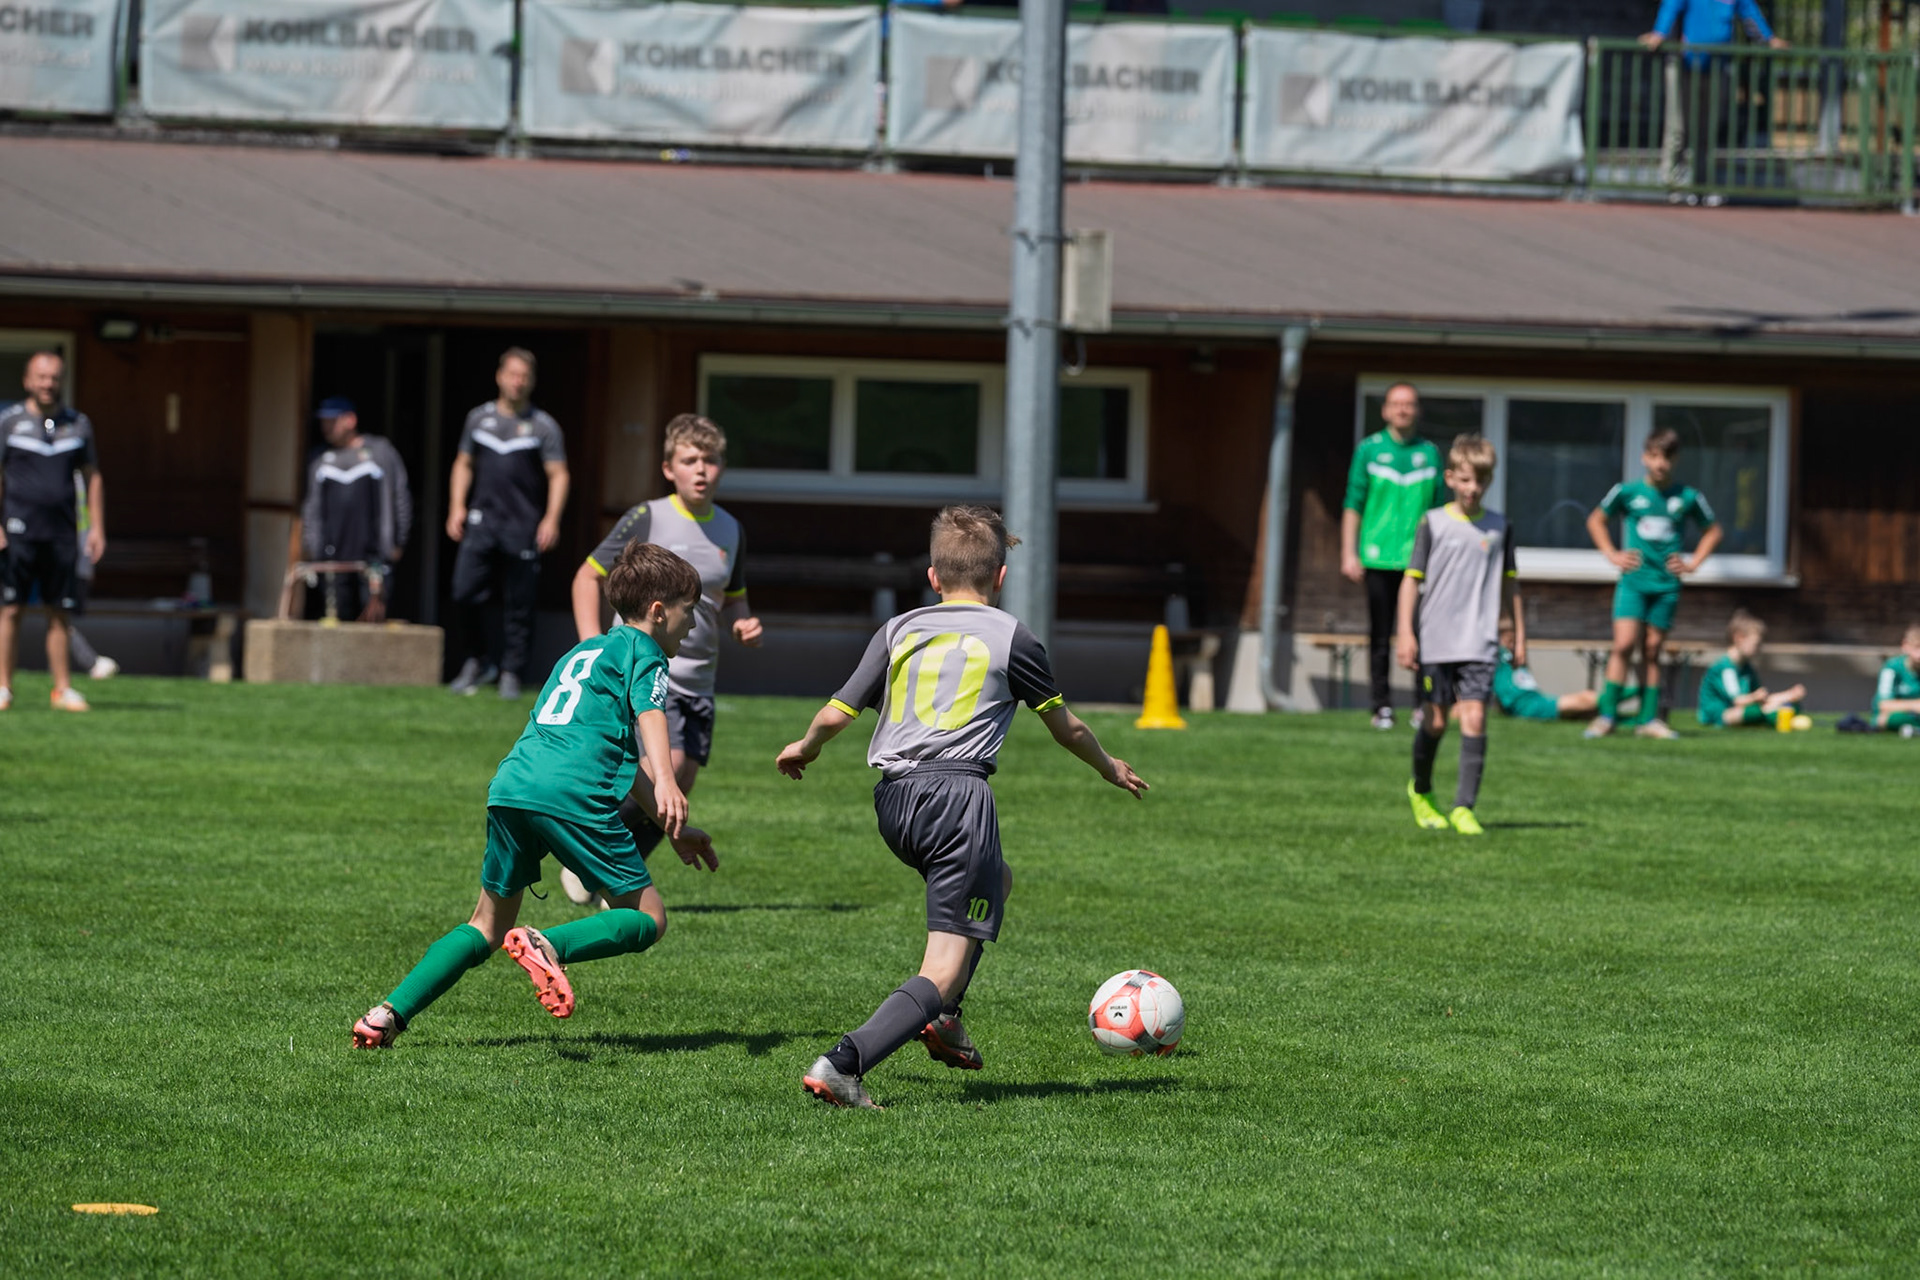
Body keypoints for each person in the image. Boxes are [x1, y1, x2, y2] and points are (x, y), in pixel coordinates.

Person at [776, 505, 1147, 1109]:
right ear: (1001, 577)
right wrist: (1110, 766)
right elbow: (1068, 728)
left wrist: (805, 747)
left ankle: (944, 1018)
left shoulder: (897, 630)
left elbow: (836, 712)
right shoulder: (1013, 636)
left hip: (895, 801)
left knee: (997, 879)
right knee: (942, 965)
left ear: (933, 577)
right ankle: (843, 1063)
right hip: (956, 798)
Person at [351, 541, 717, 1049]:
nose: (693, 625)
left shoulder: (582, 652)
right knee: (649, 918)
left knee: (485, 926)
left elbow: (618, 753)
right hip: (573, 792)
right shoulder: (646, 652)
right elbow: (650, 713)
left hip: (513, 786)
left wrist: (670, 826)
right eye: (689, 611)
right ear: (658, 612)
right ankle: (548, 943)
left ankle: (386, 1015)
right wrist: (670, 780)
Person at [562, 413, 763, 906]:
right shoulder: (647, 518)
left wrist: (743, 623)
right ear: (668, 468)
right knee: (662, 772)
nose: (701, 470)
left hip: (701, 680)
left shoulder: (731, 529)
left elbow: (732, 599)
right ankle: (593, 861)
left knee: (681, 781)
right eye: (689, 460)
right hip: (647, 670)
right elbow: (587, 575)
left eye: (710, 460)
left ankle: (611, 874)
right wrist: (592, 645)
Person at [1395, 434, 1518, 837]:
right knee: (1435, 722)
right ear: (1450, 478)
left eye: (1480, 481)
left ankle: (1464, 807)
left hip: (1479, 641)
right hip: (1436, 640)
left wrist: (1517, 632)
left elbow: (1510, 584)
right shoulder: (1433, 523)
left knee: (1475, 717)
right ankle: (1421, 790)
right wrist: (1405, 633)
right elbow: (1411, 581)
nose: (1472, 488)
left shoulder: (1500, 527)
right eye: (1465, 480)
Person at [1583, 428, 1722, 741]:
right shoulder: (1627, 492)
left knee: (1652, 649)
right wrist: (1612, 554)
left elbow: (1713, 531)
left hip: (1666, 585)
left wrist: (1692, 564)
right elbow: (1596, 520)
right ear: (1645, 457)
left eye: (1667, 457)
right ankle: (1606, 716)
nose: (1661, 464)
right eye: (1655, 456)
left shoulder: (1687, 497)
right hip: (1633, 582)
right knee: (1623, 645)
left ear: (1676, 460)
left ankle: (1648, 720)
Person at [447, 348, 570, 700]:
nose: (517, 382)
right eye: (512, 374)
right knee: (464, 591)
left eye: (524, 376)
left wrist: (551, 518)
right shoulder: (478, 419)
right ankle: (477, 661)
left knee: (520, 603)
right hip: (482, 521)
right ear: (499, 377)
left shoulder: (543, 426)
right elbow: (463, 463)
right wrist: (456, 506)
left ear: (531, 382)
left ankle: (512, 672)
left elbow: (559, 474)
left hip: (523, 526)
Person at [0, 351, 104, 713]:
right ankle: (3, 688)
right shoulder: (9, 422)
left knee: (59, 611)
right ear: (28, 381)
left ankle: (62, 689)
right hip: (16, 532)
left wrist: (96, 527)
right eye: (41, 377)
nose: (48, 384)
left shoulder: (78, 424)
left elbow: (92, 477)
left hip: (62, 533)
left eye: (54, 377)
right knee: (10, 608)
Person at [1342, 383, 1442, 731]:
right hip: (1378, 557)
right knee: (1380, 635)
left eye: (1408, 404)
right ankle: (1381, 706)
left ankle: (1422, 704)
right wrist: (1349, 552)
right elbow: (1353, 503)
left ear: (1417, 410)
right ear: (1385, 410)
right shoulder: (1369, 450)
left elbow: (1440, 510)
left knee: (1422, 634)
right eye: (1396, 404)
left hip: (1418, 559)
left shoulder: (1429, 453)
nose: (1402, 410)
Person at [297, 397, 411, 623]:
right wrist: (311, 544)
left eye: (332, 421)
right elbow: (310, 506)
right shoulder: (320, 460)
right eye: (323, 421)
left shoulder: (380, 452)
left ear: (350, 420)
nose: (326, 427)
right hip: (333, 559)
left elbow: (400, 496)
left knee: (373, 620)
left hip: (373, 558)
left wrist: (399, 540)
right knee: (337, 620)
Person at [1697, 609, 1808, 729]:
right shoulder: (1725, 669)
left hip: (1744, 707)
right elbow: (1738, 701)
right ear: (1739, 638)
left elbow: (1762, 698)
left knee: (1790, 706)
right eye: (1756, 644)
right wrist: (1756, 698)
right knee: (1761, 710)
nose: (1759, 649)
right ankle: (1771, 717)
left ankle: (1772, 715)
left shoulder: (1747, 668)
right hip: (1721, 714)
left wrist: (1788, 695)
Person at [1493, 618, 1604, 723]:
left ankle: (1608, 710)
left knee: (1588, 709)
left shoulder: (1515, 658)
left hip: (1537, 699)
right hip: (1528, 706)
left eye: (1515, 640)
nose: (1514, 644)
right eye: (1510, 640)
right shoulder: (1499, 656)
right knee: (1586, 698)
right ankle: (1613, 699)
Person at [1870, 623, 1920, 734]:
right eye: (1917, 647)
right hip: (1898, 716)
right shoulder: (1891, 668)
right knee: (1891, 718)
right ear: (1905, 645)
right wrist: (1915, 705)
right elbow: (1884, 704)